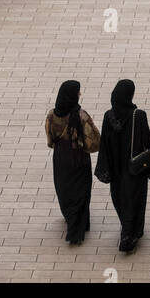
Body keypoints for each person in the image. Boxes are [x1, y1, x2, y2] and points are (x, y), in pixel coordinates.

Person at [95, 80, 150, 255]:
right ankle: (130, 234)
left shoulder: (109, 116)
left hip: (116, 170)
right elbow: (147, 144)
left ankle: (127, 229)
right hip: (135, 169)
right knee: (136, 199)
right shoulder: (139, 115)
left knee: (121, 199)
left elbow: (104, 144)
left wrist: (105, 168)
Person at [45, 81, 100, 246]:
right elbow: (94, 140)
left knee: (65, 189)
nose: (80, 95)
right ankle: (80, 225)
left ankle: (70, 217)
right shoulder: (81, 116)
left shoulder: (52, 115)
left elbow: (50, 139)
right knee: (81, 190)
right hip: (79, 158)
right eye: (78, 92)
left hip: (61, 157)